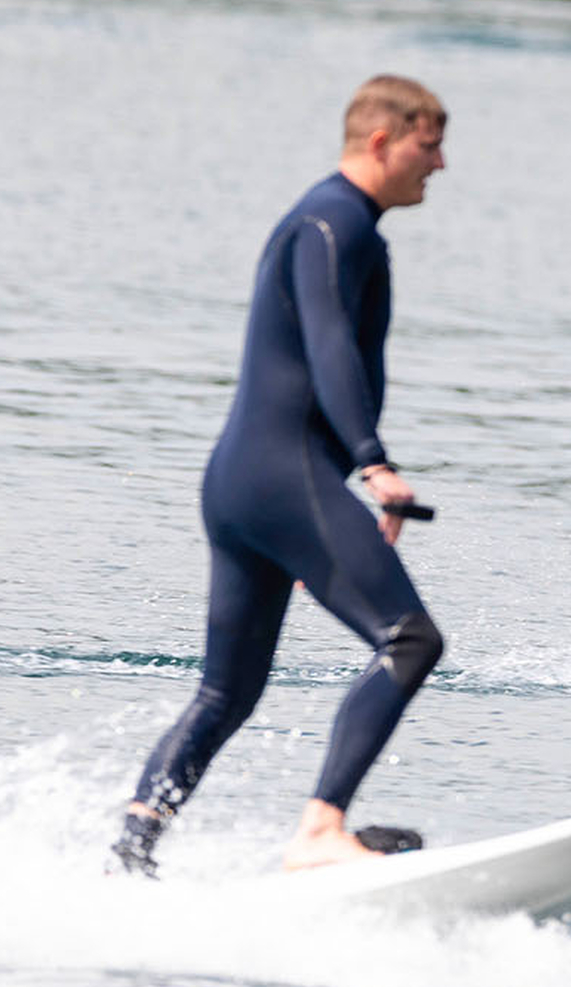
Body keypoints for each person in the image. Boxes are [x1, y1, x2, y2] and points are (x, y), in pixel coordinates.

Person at [110, 76, 449, 875]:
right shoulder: (337, 224)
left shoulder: (329, 222)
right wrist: (372, 463)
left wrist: (330, 498)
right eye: (429, 145)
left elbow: (321, 363)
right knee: (410, 640)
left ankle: (129, 854)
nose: (439, 164)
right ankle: (321, 830)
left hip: (244, 484)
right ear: (381, 141)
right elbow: (330, 347)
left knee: (225, 693)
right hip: (280, 478)